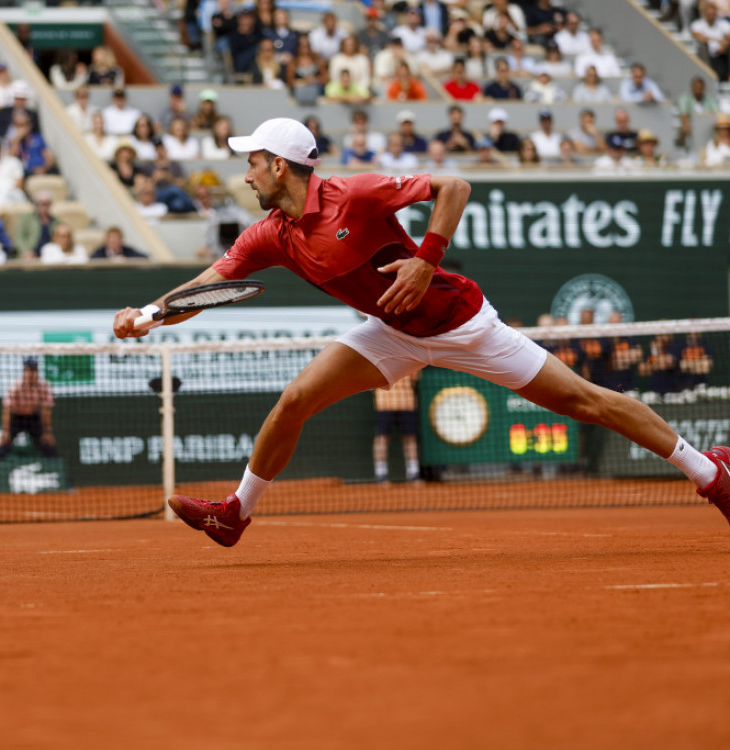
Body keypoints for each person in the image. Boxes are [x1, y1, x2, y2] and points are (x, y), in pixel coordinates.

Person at [112, 116, 730, 547]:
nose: (245, 176)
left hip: (463, 324)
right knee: (296, 400)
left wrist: (427, 258)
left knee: (585, 401)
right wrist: (145, 314)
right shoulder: (267, 234)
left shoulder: (354, 194)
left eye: (251, 164)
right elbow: (201, 292)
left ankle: (711, 475)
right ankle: (234, 515)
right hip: (388, 330)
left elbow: (453, 186)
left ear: (279, 164)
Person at [0, 356, 57, 496]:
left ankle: (65, 483)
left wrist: (47, 432)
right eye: (28, 370)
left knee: (48, 447)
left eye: (34, 370)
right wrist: (6, 432)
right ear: (24, 370)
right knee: (2, 449)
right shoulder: (15, 386)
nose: (31, 373)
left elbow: (46, 411)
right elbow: (7, 410)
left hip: (34, 419)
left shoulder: (44, 386)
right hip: (16, 419)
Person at [373, 374, 420, 483]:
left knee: (410, 438)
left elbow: (414, 379)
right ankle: (381, 474)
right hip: (384, 404)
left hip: (406, 403)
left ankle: (413, 473)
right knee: (382, 438)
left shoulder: (411, 358)